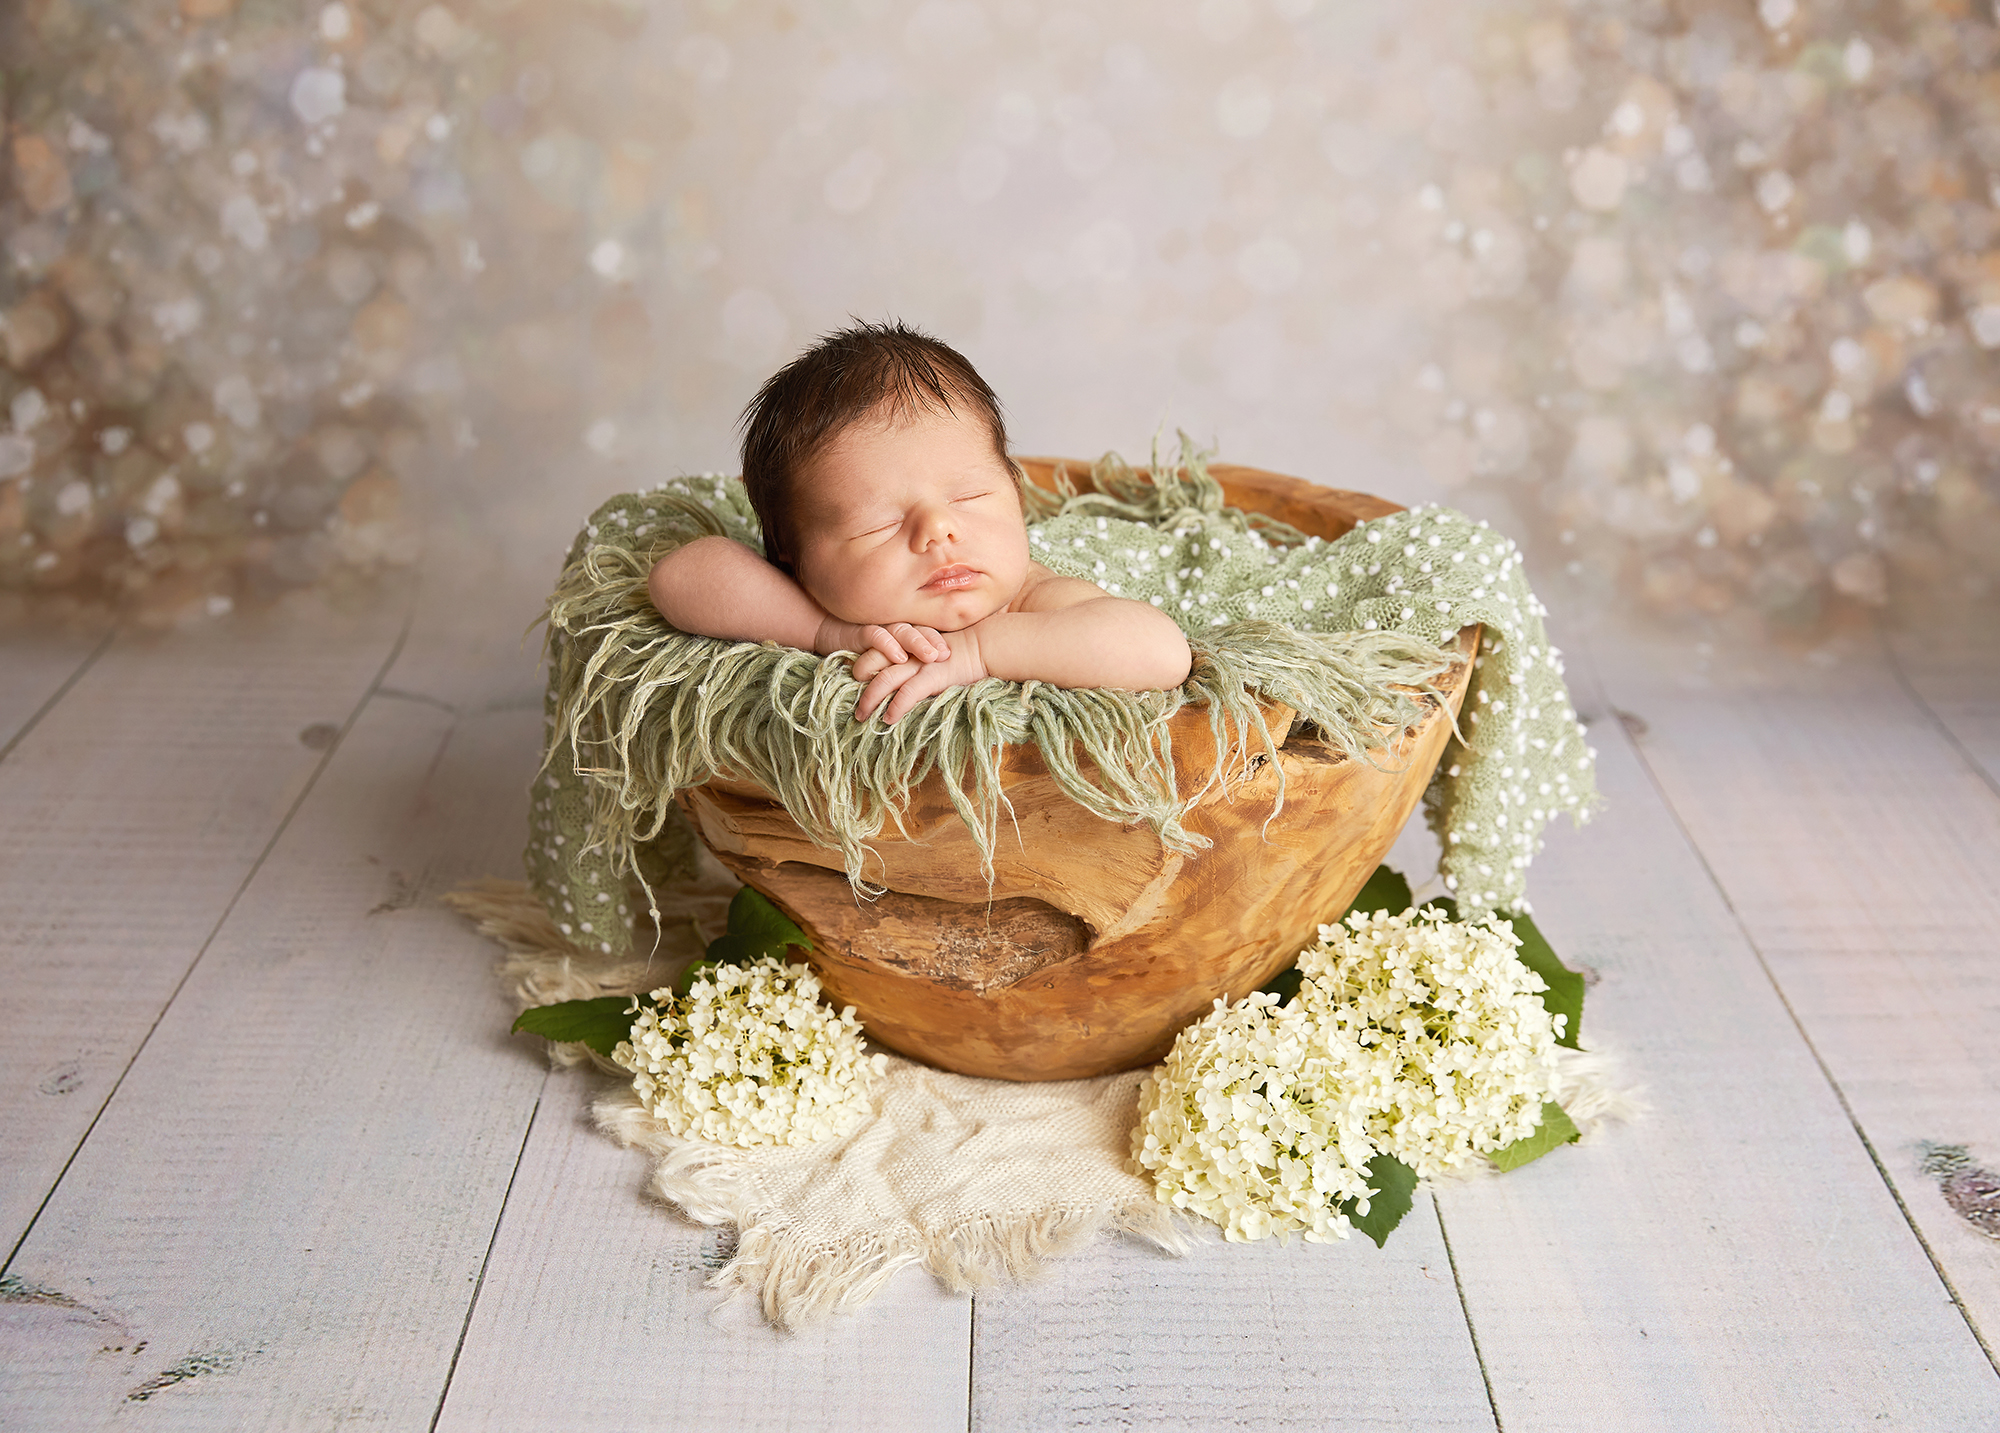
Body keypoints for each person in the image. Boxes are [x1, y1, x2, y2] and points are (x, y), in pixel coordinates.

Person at [648, 321, 1193, 724]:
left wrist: (980, 650)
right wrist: (826, 632)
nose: (938, 529)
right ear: (794, 557)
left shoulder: (1029, 598)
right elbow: (677, 578)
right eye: (877, 525)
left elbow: (1161, 652)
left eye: (971, 495)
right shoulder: (827, 606)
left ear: (1017, 494)